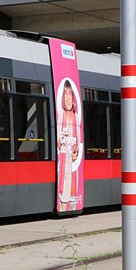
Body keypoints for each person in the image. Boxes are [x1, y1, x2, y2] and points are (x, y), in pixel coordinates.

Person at [56, 79, 80, 210]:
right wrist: (62, 142)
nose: (68, 98)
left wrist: (76, 152)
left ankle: (72, 204)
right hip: (64, 159)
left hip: (73, 159)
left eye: (70, 94)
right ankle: (63, 204)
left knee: (73, 182)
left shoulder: (76, 117)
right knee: (64, 182)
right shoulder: (61, 116)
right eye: (65, 94)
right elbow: (58, 141)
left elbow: (79, 141)